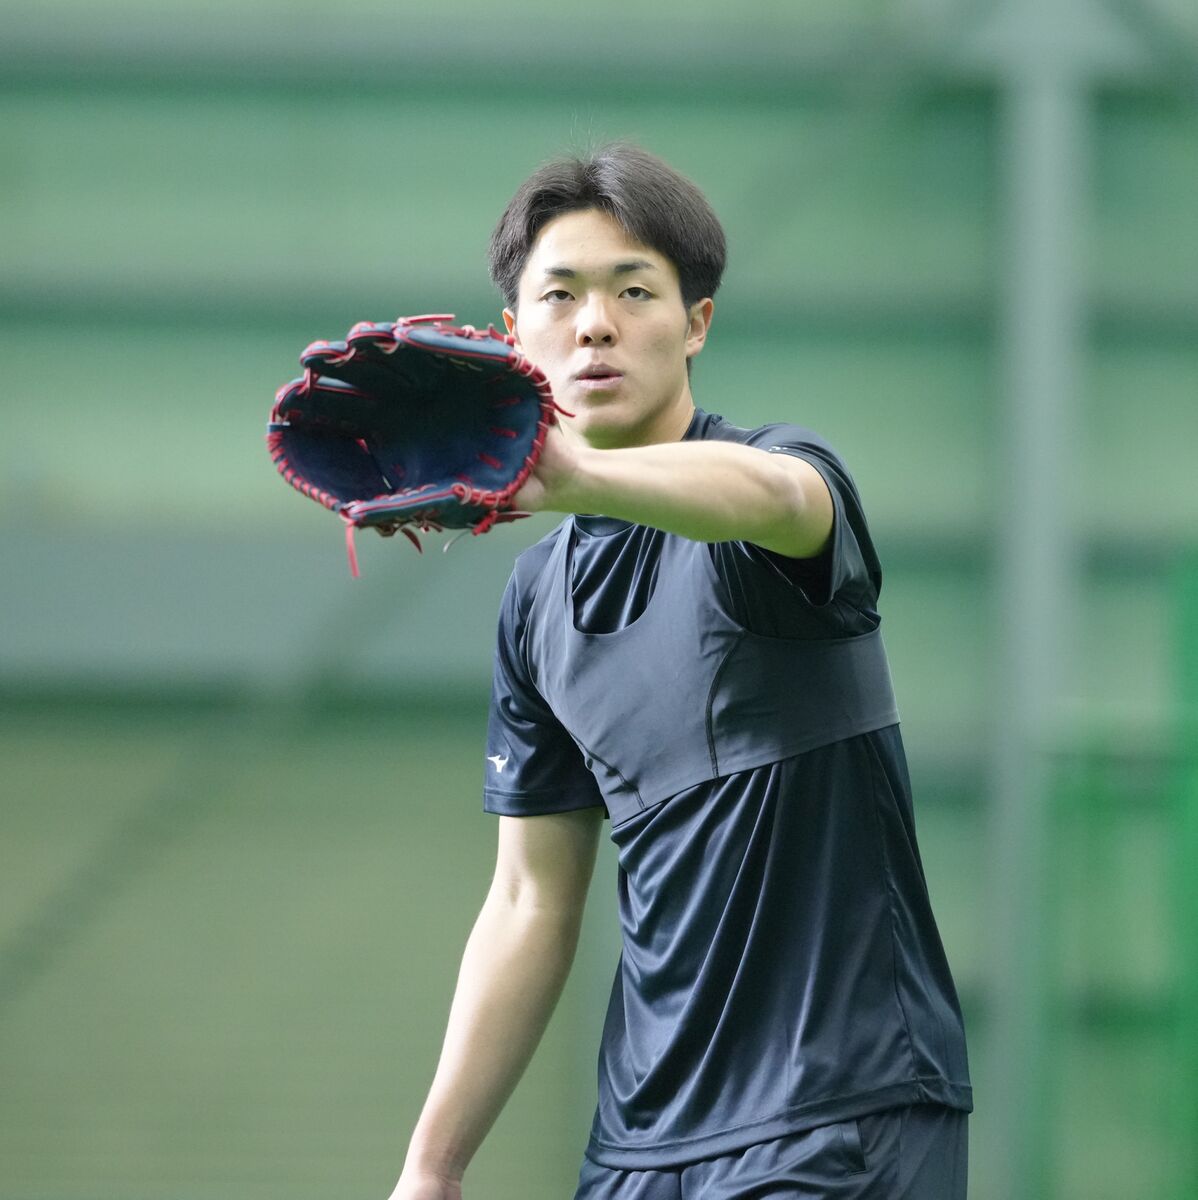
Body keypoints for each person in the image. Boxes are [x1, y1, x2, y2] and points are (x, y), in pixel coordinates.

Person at [389, 143, 972, 1200]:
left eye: (633, 291)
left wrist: (577, 473)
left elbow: (778, 498)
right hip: (640, 1149)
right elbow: (527, 901)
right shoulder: (538, 603)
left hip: (836, 1114)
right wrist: (431, 1167)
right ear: (514, 335)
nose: (595, 324)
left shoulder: (775, 488)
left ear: (696, 322)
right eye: (559, 295)